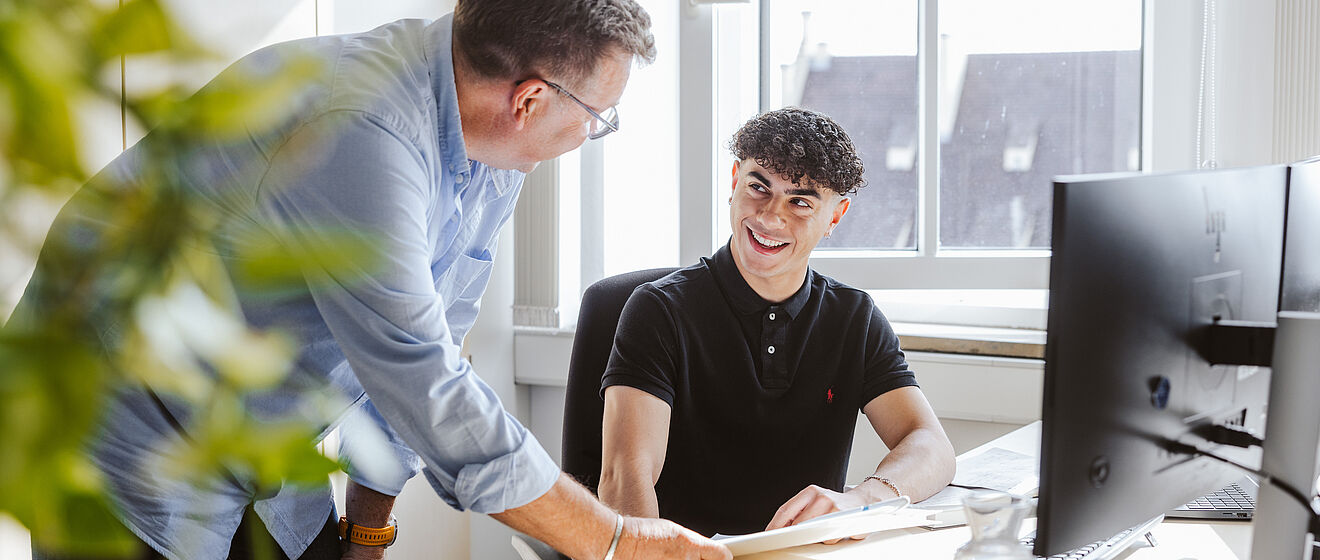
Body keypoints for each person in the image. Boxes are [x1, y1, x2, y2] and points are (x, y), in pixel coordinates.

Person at [12, 1, 730, 559]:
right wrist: (615, 541)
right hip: (124, 436)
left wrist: (367, 533)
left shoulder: (495, 151)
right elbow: (427, 384)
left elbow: (431, 349)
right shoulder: (364, 130)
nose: (590, 134)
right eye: (600, 118)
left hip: (259, 431)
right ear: (531, 100)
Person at [596, 107, 957, 538]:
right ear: (734, 182)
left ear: (835, 217)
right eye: (758, 187)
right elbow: (625, 479)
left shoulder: (853, 317)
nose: (770, 217)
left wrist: (861, 500)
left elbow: (930, 443)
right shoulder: (658, 310)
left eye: (800, 201)